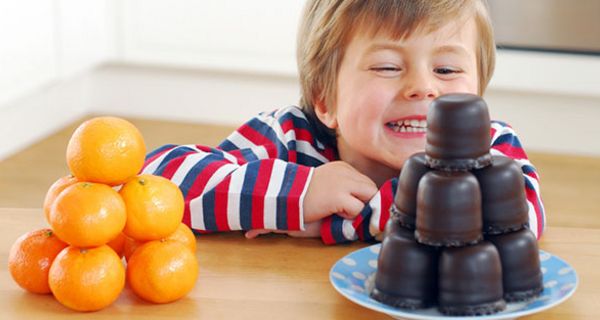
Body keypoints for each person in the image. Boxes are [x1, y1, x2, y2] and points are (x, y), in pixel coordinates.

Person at [142, 0, 545, 244]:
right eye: (387, 66)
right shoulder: (287, 136)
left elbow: (516, 218)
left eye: (446, 69)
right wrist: (300, 194)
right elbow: (157, 184)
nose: (423, 88)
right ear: (325, 99)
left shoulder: (491, 145)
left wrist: (343, 222)